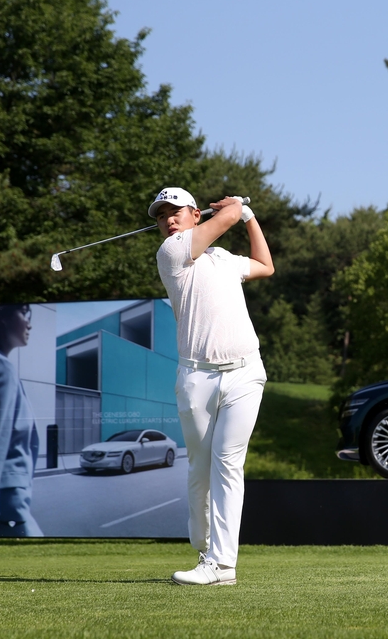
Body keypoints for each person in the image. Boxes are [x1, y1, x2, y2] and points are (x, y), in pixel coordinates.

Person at [149, 187, 273, 586]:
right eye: (161, 214)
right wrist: (237, 208)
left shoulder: (221, 258)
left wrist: (250, 216)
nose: (168, 219)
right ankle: (204, 548)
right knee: (200, 470)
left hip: (245, 373)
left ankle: (221, 565)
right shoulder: (170, 254)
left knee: (227, 463)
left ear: (195, 214)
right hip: (197, 377)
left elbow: (264, 266)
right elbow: (229, 218)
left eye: (176, 211)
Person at [0, 303, 44, 537]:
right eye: (24, 313)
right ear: (2, 318)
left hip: (8, 498)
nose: (29, 323)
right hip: (8, 502)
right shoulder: (1, 366)